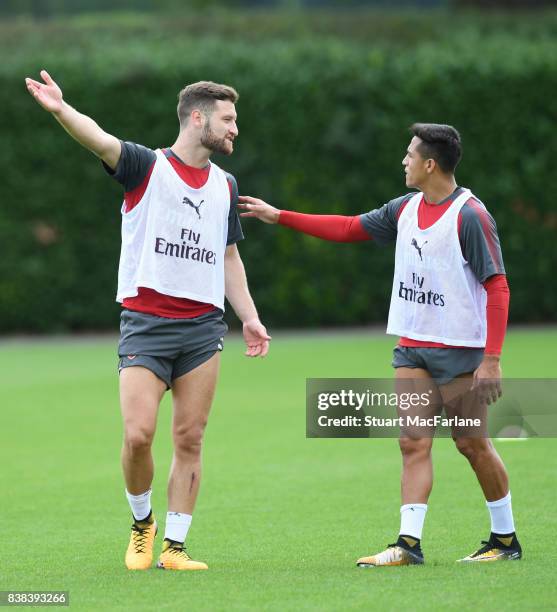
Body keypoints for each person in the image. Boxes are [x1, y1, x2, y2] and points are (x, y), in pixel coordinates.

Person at [239, 123, 521, 565]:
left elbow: (498, 287)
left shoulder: (470, 215)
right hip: (412, 346)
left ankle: (505, 540)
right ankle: (408, 545)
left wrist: (493, 359)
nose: (403, 161)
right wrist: (281, 216)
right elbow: (350, 227)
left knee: (471, 444)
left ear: (430, 164)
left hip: (460, 350)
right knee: (412, 441)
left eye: (410, 154)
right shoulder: (404, 208)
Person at [25, 70, 271, 571]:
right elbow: (98, 137)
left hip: (204, 328)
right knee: (138, 435)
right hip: (146, 324)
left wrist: (249, 316)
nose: (234, 130)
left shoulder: (226, 184)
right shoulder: (145, 166)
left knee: (190, 438)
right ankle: (142, 524)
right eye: (227, 120)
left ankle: (175, 548)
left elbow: (228, 258)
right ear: (197, 118)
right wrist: (60, 110)